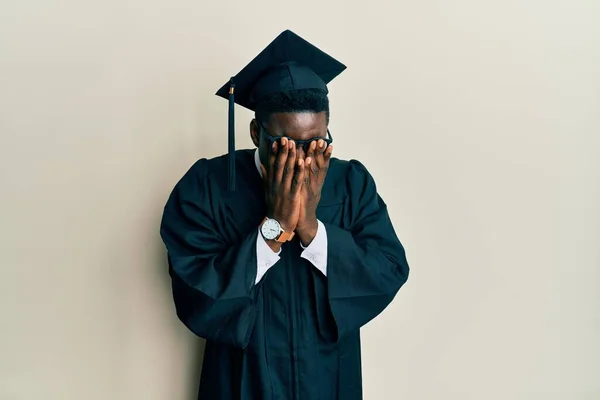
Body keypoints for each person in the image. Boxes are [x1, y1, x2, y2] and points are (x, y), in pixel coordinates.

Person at [160, 30, 410, 400]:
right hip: (241, 379)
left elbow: (387, 270)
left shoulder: (351, 183)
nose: (303, 158)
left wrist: (310, 225)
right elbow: (196, 293)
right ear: (255, 131)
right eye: (285, 144)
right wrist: (273, 227)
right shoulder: (207, 186)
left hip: (326, 376)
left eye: (316, 142)